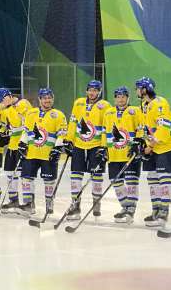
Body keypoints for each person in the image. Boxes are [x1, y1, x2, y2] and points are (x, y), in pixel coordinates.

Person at [65, 80, 111, 220]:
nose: (92, 93)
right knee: (75, 175)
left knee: (96, 175)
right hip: (79, 145)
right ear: (86, 91)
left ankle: (96, 203)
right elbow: (73, 122)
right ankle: (75, 205)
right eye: (90, 90)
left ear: (100, 91)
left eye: (95, 90)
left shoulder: (105, 106)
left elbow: (106, 128)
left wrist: (104, 146)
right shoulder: (78, 103)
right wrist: (69, 140)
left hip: (96, 146)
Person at [136, 77, 171, 228]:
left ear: (145, 89)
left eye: (138, 88)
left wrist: (151, 145)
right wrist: (143, 143)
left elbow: (163, 128)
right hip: (152, 145)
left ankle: (164, 211)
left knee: (164, 177)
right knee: (152, 177)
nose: (136, 91)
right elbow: (147, 127)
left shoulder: (160, 104)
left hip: (165, 145)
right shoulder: (144, 104)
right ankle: (156, 210)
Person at [19, 88, 68, 216]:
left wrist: (57, 148)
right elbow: (26, 130)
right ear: (40, 100)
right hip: (31, 153)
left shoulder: (58, 114)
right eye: (44, 98)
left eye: (49, 97)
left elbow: (62, 134)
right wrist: (22, 143)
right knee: (26, 179)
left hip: (48, 154)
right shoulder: (31, 113)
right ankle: (28, 205)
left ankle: (49, 204)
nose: (47, 100)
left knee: (49, 181)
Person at [102, 86, 145, 223]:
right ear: (114, 98)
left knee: (132, 181)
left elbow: (141, 128)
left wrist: (138, 143)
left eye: (123, 96)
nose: (121, 99)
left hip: (130, 154)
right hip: (113, 154)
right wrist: (103, 148)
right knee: (116, 182)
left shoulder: (135, 111)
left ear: (128, 98)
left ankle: (131, 210)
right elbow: (104, 132)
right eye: (118, 96)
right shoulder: (108, 113)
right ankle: (125, 206)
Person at [0, 89, 32, 213]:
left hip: (23, 145)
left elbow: (21, 123)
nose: (1, 103)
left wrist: (9, 108)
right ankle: (13, 200)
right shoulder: (8, 109)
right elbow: (11, 127)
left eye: (2, 100)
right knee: (9, 173)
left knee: (23, 175)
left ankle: (28, 203)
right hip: (12, 146)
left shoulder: (23, 103)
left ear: (8, 96)